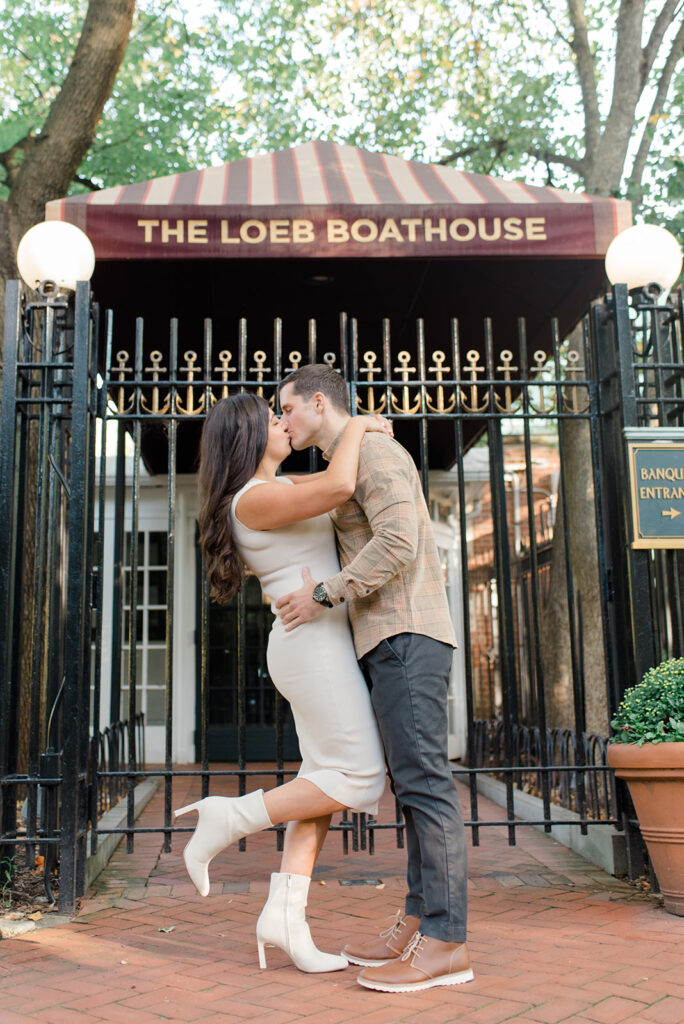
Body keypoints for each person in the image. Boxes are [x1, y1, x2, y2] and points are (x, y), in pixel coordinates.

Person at [276, 364, 473, 994]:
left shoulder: (377, 451)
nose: (283, 421)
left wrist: (326, 594)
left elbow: (400, 540)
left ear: (316, 402)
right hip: (388, 640)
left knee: (426, 787)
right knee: (412, 789)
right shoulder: (356, 449)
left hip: (408, 634)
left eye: (287, 409)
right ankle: (417, 923)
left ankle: (445, 944)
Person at [175, 392, 389, 974]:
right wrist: (361, 425)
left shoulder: (280, 489)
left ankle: (285, 918)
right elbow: (341, 486)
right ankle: (232, 817)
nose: (283, 421)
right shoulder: (254, 499)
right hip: (311, 647)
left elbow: (331, 486)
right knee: (360, 774)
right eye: (272, 419)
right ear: (246, 437)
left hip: (319, 642)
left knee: (320, 780)